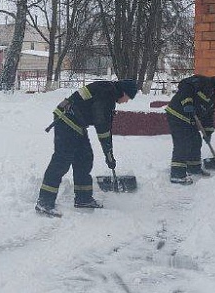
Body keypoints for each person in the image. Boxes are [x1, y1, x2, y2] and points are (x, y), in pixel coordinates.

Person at [35, 79, 138, 217]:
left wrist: (108, 153)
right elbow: (102, 125)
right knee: (61, 161)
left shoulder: (108, 90)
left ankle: (83, 198)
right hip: (67, 120)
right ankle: (44, 202)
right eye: (128, 98)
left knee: (84, 158)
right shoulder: (107, 94)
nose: (126, 101)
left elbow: (101, 121)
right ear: (124, 92)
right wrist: (108, 154)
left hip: (76, 123)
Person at [165, 73, 215, 185]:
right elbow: (184, 85)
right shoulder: (201, 81)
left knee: (196, 141)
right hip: (177, 114)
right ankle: (177, 175)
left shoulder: (212, 97)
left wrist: (208, 132)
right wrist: (187, 102)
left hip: (190, 119)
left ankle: (193, 167)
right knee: (183, 143)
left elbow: (208, 115)